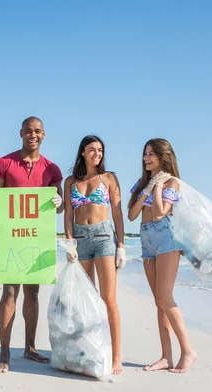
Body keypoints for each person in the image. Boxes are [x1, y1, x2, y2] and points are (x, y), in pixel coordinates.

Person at [0, 116, 64, 373]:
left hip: (36, 237)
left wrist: (58, 202)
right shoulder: (4, 163)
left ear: (44, 134)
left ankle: (30, 348)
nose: (33, 135)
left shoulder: (52, 168)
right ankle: (4, 353)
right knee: (9, 292)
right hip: (9, 237)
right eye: (28, 131)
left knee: (33, 292)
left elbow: (60, 204)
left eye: (38, 131)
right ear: (21, 133)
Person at [127, 138, 197, 373]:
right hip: (146, 240)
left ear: (162, 156)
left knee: (165, 298)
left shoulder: (172, 183)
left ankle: (187, 351)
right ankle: (166, 357)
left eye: (151, 154)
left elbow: (159, 213)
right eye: (145, 154)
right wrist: (147, 187)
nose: (146, 158)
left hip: (166, 238)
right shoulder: (142, 182)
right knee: (159, 302)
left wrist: (157, 186)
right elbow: (132, 215)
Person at [63, 135, 126, 375]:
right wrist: (70, 243)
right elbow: (67, 215)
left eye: (100, 150)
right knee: (87, 302)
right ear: (82, 152)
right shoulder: (70, 181)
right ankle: (90, 350)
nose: (96, 154)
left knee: (108, 300)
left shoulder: (109, 178)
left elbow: (118, 215)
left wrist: (121, 246)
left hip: (103, 240)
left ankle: (116, 357)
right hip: (80, 240)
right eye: (91, 150)